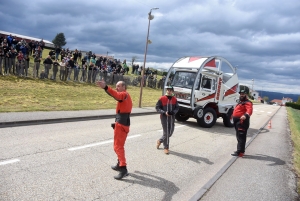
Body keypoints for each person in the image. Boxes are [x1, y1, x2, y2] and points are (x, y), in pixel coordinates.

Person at [96, 80, 132, 180]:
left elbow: (116, 95)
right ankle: (119, 164)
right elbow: (116, 97)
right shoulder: (126, 96)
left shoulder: (124, 94)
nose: (117, 88)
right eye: (116, 86)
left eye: (119, 86)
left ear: (124, 87)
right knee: (119, 146)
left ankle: (123, 169)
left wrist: (106, 87)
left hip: (121, 124)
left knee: (118, 147)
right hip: (122, 123)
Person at [155, 86, 179, 154]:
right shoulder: (162, 98)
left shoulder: (174, 99)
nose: (169, 91)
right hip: (164, 118)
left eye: (170, 90)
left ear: (172, 92)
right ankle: (166, 147)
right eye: (168, 90)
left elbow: (177, 108)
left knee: (170, 133)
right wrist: (164, 112)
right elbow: (157, 107)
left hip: (172, 118)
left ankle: (160, 140)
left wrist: (173, 112)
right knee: (166, 133)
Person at [231, 89, 253, 157]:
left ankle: (239, 152)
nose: (241, 95)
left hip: (242, 122)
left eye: (243, 94)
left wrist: (245, 115)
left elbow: (249, 110)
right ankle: (240, 151)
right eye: (241, 94)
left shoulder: (247, 102)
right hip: (237, 121)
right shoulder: (241, 102)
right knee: (239, 136)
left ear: (246, 95)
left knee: (241, 137)